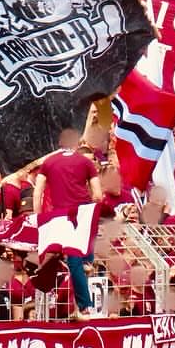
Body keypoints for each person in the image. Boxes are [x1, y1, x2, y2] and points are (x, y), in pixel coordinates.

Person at [34, 128, 101, 319]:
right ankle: (84, 300)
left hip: (60, 217)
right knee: (79, 259)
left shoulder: (48, 162)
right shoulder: (86, 162)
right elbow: (97, 195)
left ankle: (83, 305)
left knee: (72, 261)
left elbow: (38, 192)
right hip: (83, 213)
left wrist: (39, 217)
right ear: (77, 143)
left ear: (59, 143)